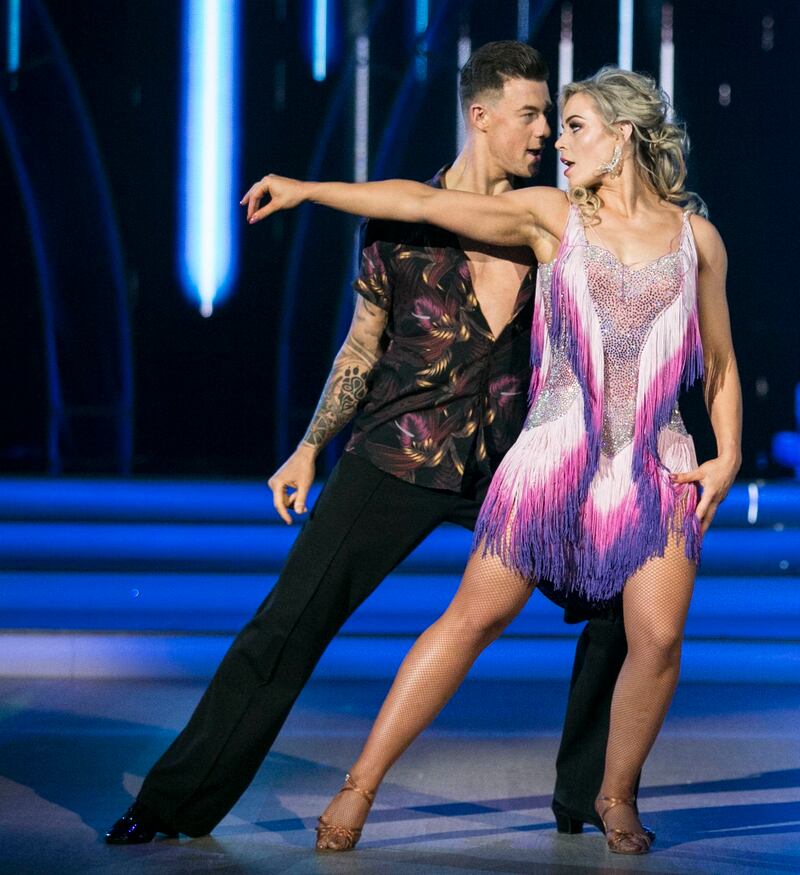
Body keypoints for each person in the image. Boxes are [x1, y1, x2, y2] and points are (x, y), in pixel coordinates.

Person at [105, 42, 629, 847]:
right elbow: (362, 343)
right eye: (528, 114)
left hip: (512, 468)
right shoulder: (398, 214)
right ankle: (173, 801)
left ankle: (585, 797)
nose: (541, 133)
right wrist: (309, 446)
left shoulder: (548, 222)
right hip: (398, 452)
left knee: (624, 593)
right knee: (287, 626)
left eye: (547, 116)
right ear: (480, 116)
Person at [241, 66, 742, 856]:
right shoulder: (552, 217)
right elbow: (424, 202)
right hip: (549, 460)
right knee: (475, 617)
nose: (557, 144)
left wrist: (728, 457)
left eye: (574, 127)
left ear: (624, 136)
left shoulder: (696, 239)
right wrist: (309, 188)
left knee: (658, 638)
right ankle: (360, 784)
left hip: (657, 466)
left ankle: (614, 795)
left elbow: (718, 364)